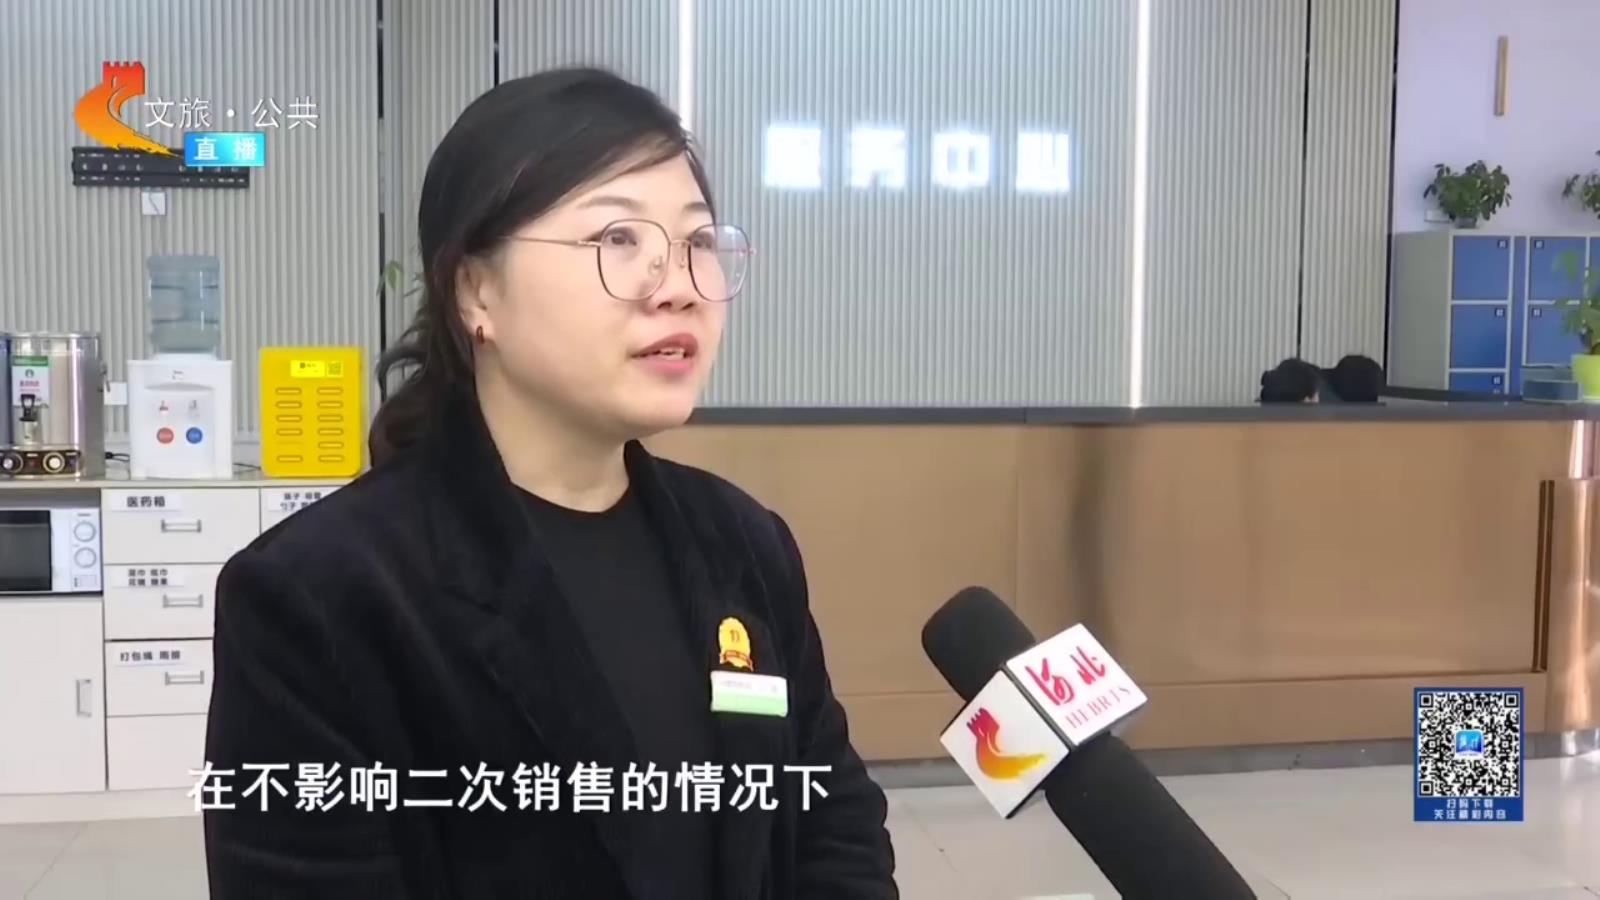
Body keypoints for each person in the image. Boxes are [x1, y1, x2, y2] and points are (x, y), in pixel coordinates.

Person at [203, 68, 897, 899]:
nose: (679, 288)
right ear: (476, 290)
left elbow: (833, 827)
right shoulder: (318, 595)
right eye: (617, 239)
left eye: (697, 244)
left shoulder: (744, 543)